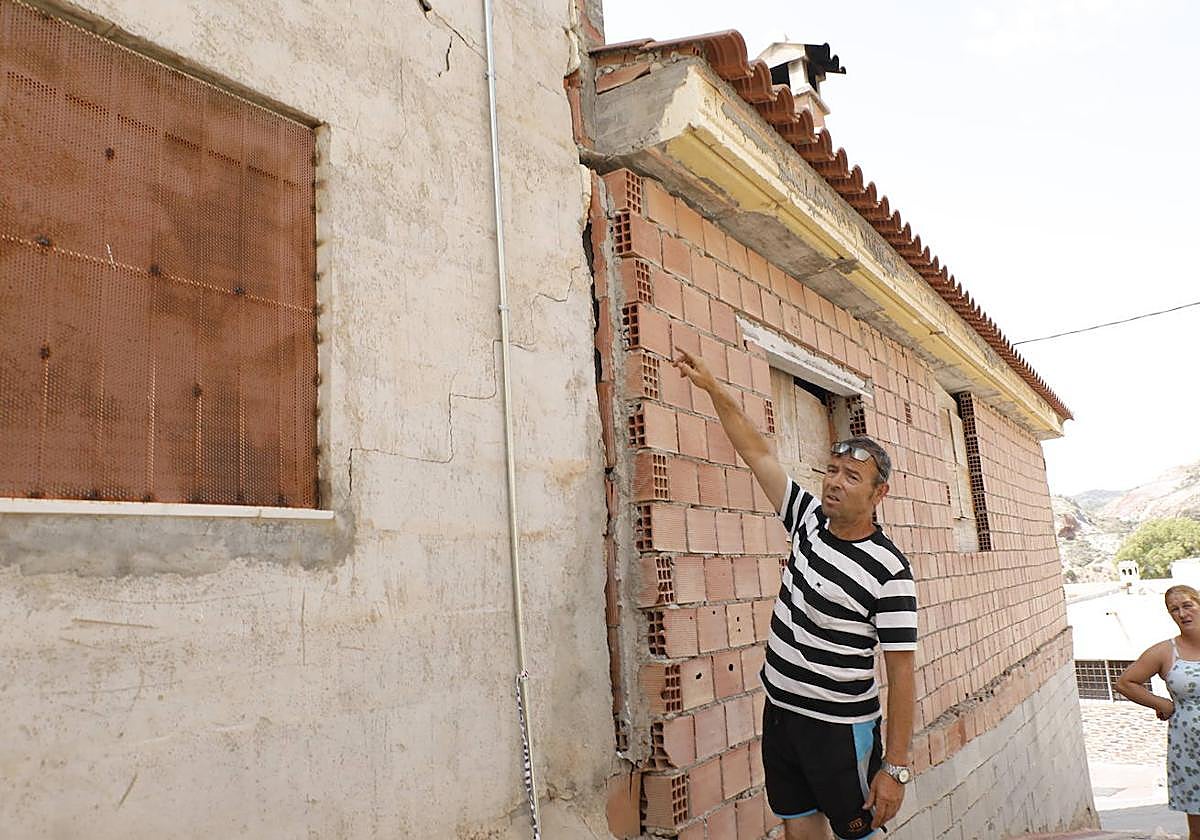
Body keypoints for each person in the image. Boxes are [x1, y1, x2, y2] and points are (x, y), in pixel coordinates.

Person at [672, 348, 917, 840]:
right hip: (782, 716)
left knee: (857, 834)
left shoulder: (890, 571)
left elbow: (902, 674)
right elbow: (757, 452)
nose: (835, 484)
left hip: (840, 733)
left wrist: (895, 768)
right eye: (831, 471)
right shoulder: (806, 521)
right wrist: (713, 388)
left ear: (877, 494)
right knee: (797, 828)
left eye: (852, 477)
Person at [1116, 584, 1200, 839]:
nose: (1182, 613)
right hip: (1190, 748)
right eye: (1174, 609)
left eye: (1187, 605)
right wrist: (1161, 704)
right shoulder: (1165, 651)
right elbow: (1125, 683)